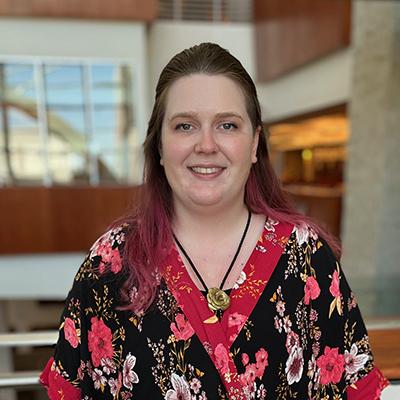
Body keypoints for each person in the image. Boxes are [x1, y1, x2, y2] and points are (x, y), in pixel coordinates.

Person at [40, 42, 388, 400]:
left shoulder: (308, 259)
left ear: (254, 144)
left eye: (227, 125)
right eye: (185, 126)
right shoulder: (112, 261)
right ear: (159, 145)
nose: (206, 145)